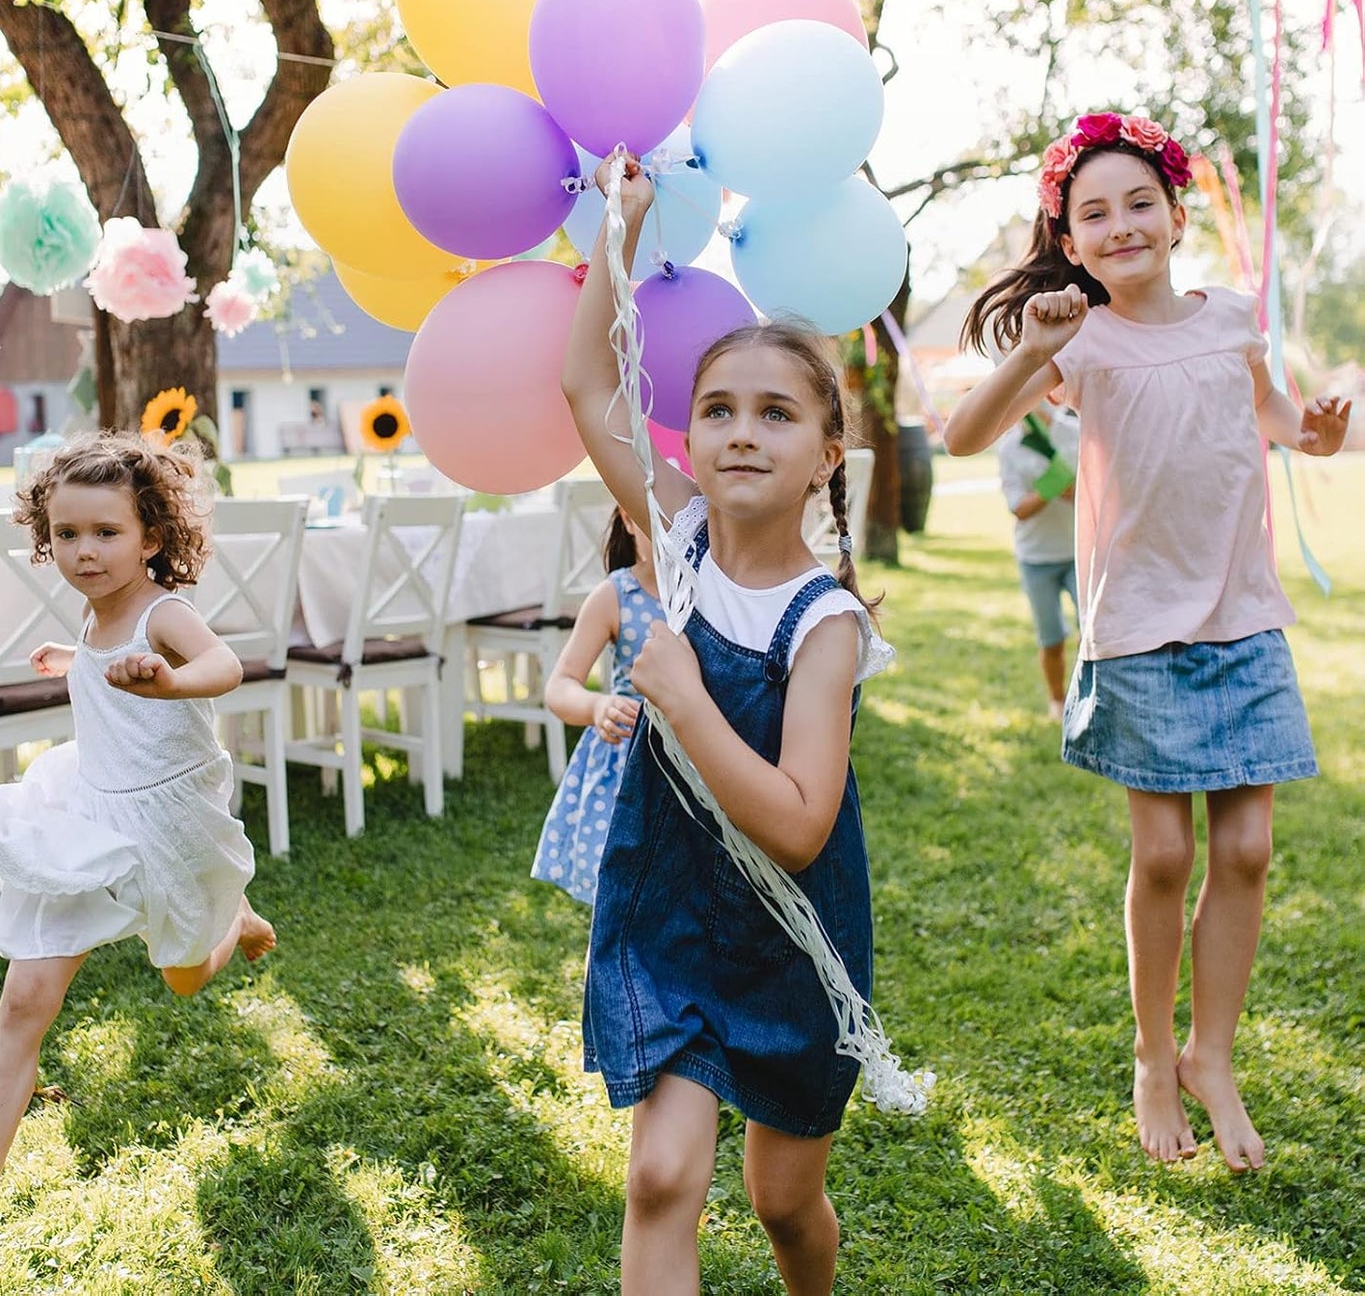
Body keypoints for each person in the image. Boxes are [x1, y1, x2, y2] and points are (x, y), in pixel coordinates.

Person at [945, 111, 1351, 1173]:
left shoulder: (1228, 321)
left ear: (1174, 216)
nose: (1119, 224)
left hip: (1242, 615)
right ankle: (1148, 1050)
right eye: (1092, 213)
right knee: (1163, 854)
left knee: (1248, 850)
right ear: (1067, 242)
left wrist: (1311, 431)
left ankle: (1207, 1054)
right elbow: (962, 434)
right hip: (1135, 629)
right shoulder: (1076, 338)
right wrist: (1031, 348)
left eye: (1137, 203)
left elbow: (1270, 418)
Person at [562, 153, 898, 1294]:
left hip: (789, 932)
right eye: (715, 409)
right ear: (688, 440)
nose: (740, 431)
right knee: (659, 1175)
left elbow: (799, 826)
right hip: (665, 911)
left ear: (823, 456)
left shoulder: (826, 621)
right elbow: (589, 389)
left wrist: (687, 696)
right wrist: (621, 228)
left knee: (781, 1198)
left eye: (774, 412)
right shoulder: (675, 539)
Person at [0, 430, 275, 1244]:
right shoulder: (92, 611)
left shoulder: (165, 612)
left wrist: (169, 680)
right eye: (67, 534)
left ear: (151, 537)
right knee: (26, 996)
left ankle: (236, 920)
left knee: (186, 977)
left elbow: (224, 664)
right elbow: (104, 659)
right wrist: (75, 659)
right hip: (88, 811)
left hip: (168, 824)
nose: (85, 552)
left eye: (107, 533)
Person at [532, 506, 665, 906]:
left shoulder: (717, 593)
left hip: (701, 757)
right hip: (631, 763)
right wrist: (596, 706)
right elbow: (560, 686)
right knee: (621, 893)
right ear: (627, 519)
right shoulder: (616, 596)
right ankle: (606, 961)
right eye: (652, 518)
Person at [994, 400, 1080, 718]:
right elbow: (1018, 508)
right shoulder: (1010, 448)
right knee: (1051, 637)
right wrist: (1049, 487)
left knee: (1093, 629)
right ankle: (1058, 705)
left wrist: (1074, 488)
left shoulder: (1074, 431)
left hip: (1078, 552)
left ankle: (1091, 698)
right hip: (1037, 558)